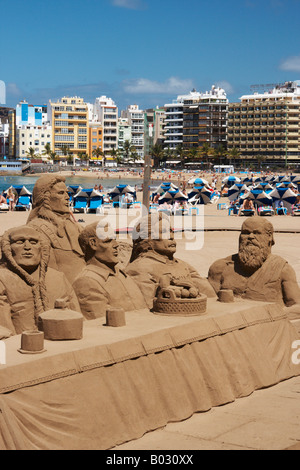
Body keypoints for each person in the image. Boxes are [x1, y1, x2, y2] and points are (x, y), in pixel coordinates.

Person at [208, 217, 300, 318]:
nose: (251, 237)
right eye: (246, 232)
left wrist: (267, 317)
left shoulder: (282, 269)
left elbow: (297, 307)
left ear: (269, 237)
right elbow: (208, 301)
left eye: (257, 233)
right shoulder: (221, 267)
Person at [0, 226, 81, 335]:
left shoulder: (58, 278)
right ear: (8, 249)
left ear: (42, 248)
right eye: (19, 242)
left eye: (33, 242)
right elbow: (6, 333)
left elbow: (78, 319)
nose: (27, 247)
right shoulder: (2, 279)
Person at [125, 213, 217, 308]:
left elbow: (211, 297)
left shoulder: (183, 265)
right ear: (148, 240)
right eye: (164, 232)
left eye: (171, 231)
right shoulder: (139, 269)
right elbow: (145, 308)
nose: (171, 236)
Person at [72, 222, 149, 319]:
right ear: (93, 244)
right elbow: (103, 326)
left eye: (115, 240)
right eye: (108, 241)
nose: (116, 245)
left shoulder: (121, 275)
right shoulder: (86, 282)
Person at [26, 175, 85, 284]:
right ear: (45, 198)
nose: (67, 197)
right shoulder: (36, 228)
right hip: (65, 291)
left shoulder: (74, 226)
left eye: (67, 193)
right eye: (61, 193)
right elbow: (47, 275)